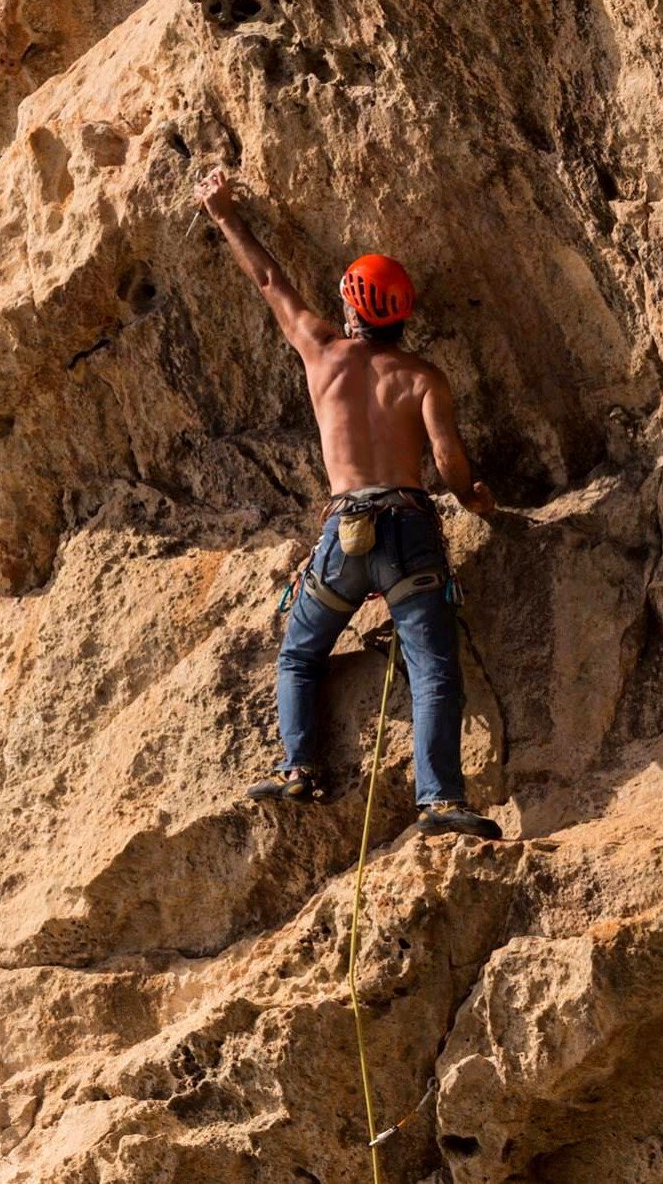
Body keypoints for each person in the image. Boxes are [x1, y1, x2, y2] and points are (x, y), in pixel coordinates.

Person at [192, 168, 502, 840]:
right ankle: (439, 801)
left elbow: (269, 282)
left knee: (300, 654)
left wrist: (221, 214)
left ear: (352, 308)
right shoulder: (421, 377)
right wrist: (473, 499)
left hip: (344, 535)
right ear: (402, 314)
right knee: (430, 669)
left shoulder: (322, 353)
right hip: (409, 533)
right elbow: (447, 463)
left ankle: (300, 767)